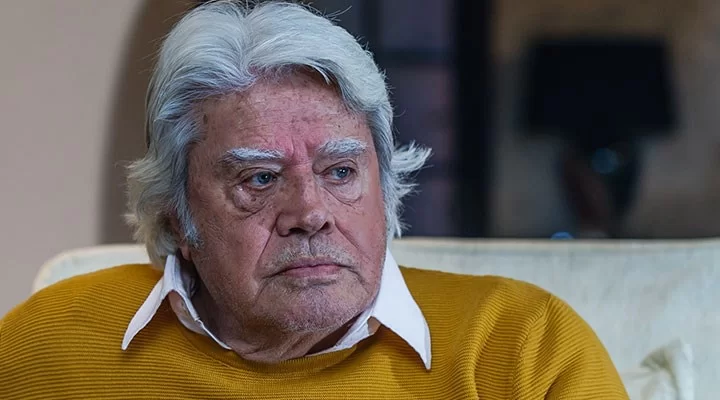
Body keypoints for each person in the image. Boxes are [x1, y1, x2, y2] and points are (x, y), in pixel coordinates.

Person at [0, 1, 629, 398]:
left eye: (340, 171)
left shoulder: (525, 350)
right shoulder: (45, 347)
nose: (310, 212)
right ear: (178, 217)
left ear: (385, 191)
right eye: (259, 179)